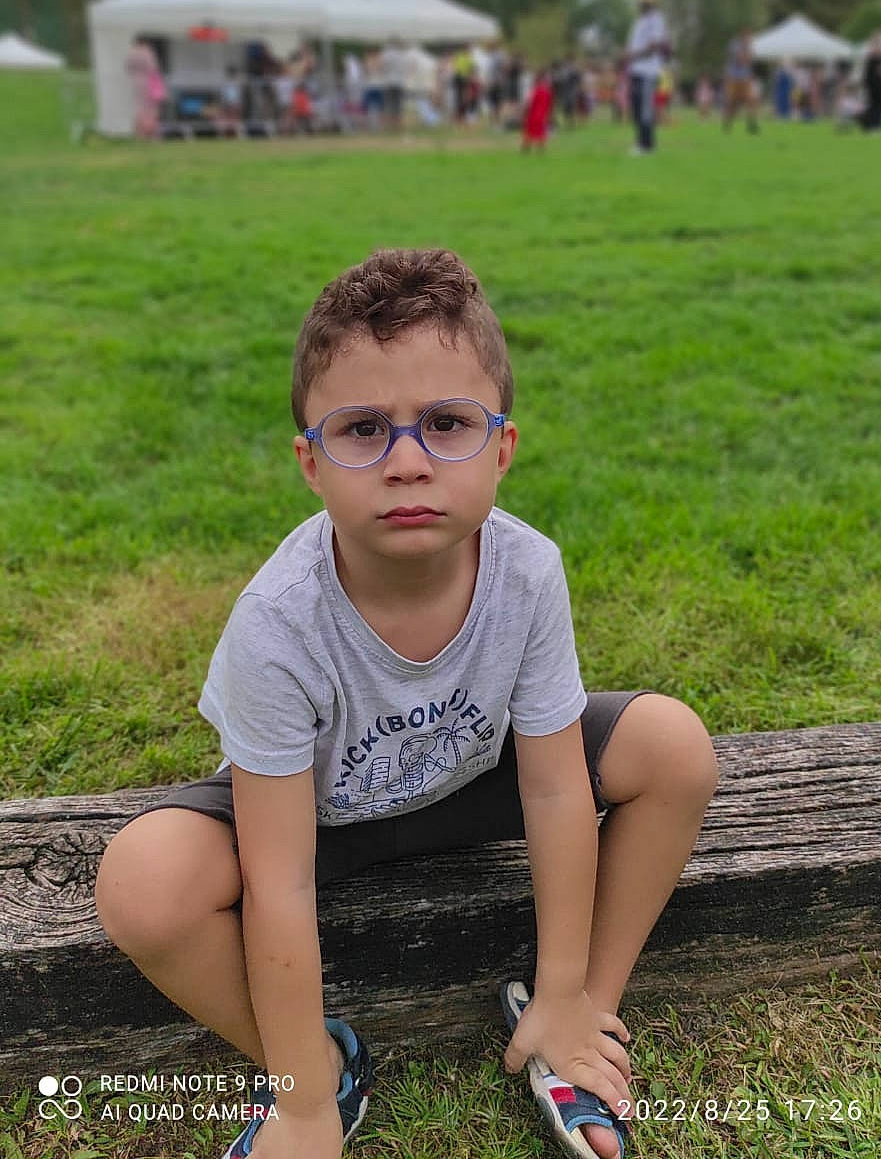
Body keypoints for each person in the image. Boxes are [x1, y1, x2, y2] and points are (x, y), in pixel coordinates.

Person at [93, 248, 718, 1159]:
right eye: (361, 430)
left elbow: (552, 790)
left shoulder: (527, 569)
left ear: (503, 446)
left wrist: (564, 983)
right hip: (316, 816)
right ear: (310, 462)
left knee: (673, 747)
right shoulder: (278, 622)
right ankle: (319, 1071)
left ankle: (572, 1019)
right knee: (143, 886)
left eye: (447, 422)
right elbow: (281, 879)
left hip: (472, 778)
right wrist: (300, 1104)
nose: (408, 462)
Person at [624, 0, 670, 153]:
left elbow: (655, 45)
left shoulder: (656, 19)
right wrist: (629, 56)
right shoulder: (639, 21)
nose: (641, 4)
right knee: (636, 108)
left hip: (648, 70)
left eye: (643, 1)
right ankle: (641, 142)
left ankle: (647, 145)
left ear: (649, 2)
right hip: (636, 69)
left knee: (645, 109)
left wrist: (634, 55)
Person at [722, 28, 760, 133]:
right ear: (743, 36)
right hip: (734, 78)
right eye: (748, 37)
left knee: (751, 101)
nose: (749, 39)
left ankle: (751, 124)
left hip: (745, 78)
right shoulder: (734, 44)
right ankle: (727, 124)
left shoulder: (748, 47)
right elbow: (741, 60)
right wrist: (747, 54)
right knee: (732, 103)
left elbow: (749, 61)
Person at [861, 34, 881, 131]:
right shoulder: (875, 56)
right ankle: (874, 125)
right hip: (875, 84)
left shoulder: (875, 55)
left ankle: (874, 125)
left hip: (876, 83)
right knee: (876, 104)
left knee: (877, 104)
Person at [521, 66, 553, 150]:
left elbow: (529, 102)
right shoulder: (547, 90)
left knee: (529, 131)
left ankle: (526, 148)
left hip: (533, 113)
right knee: (541, 133)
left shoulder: (534, 90)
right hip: (543, 114)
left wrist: (525, 112)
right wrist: (549, 114)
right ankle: (540, 148)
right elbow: (550, 104)